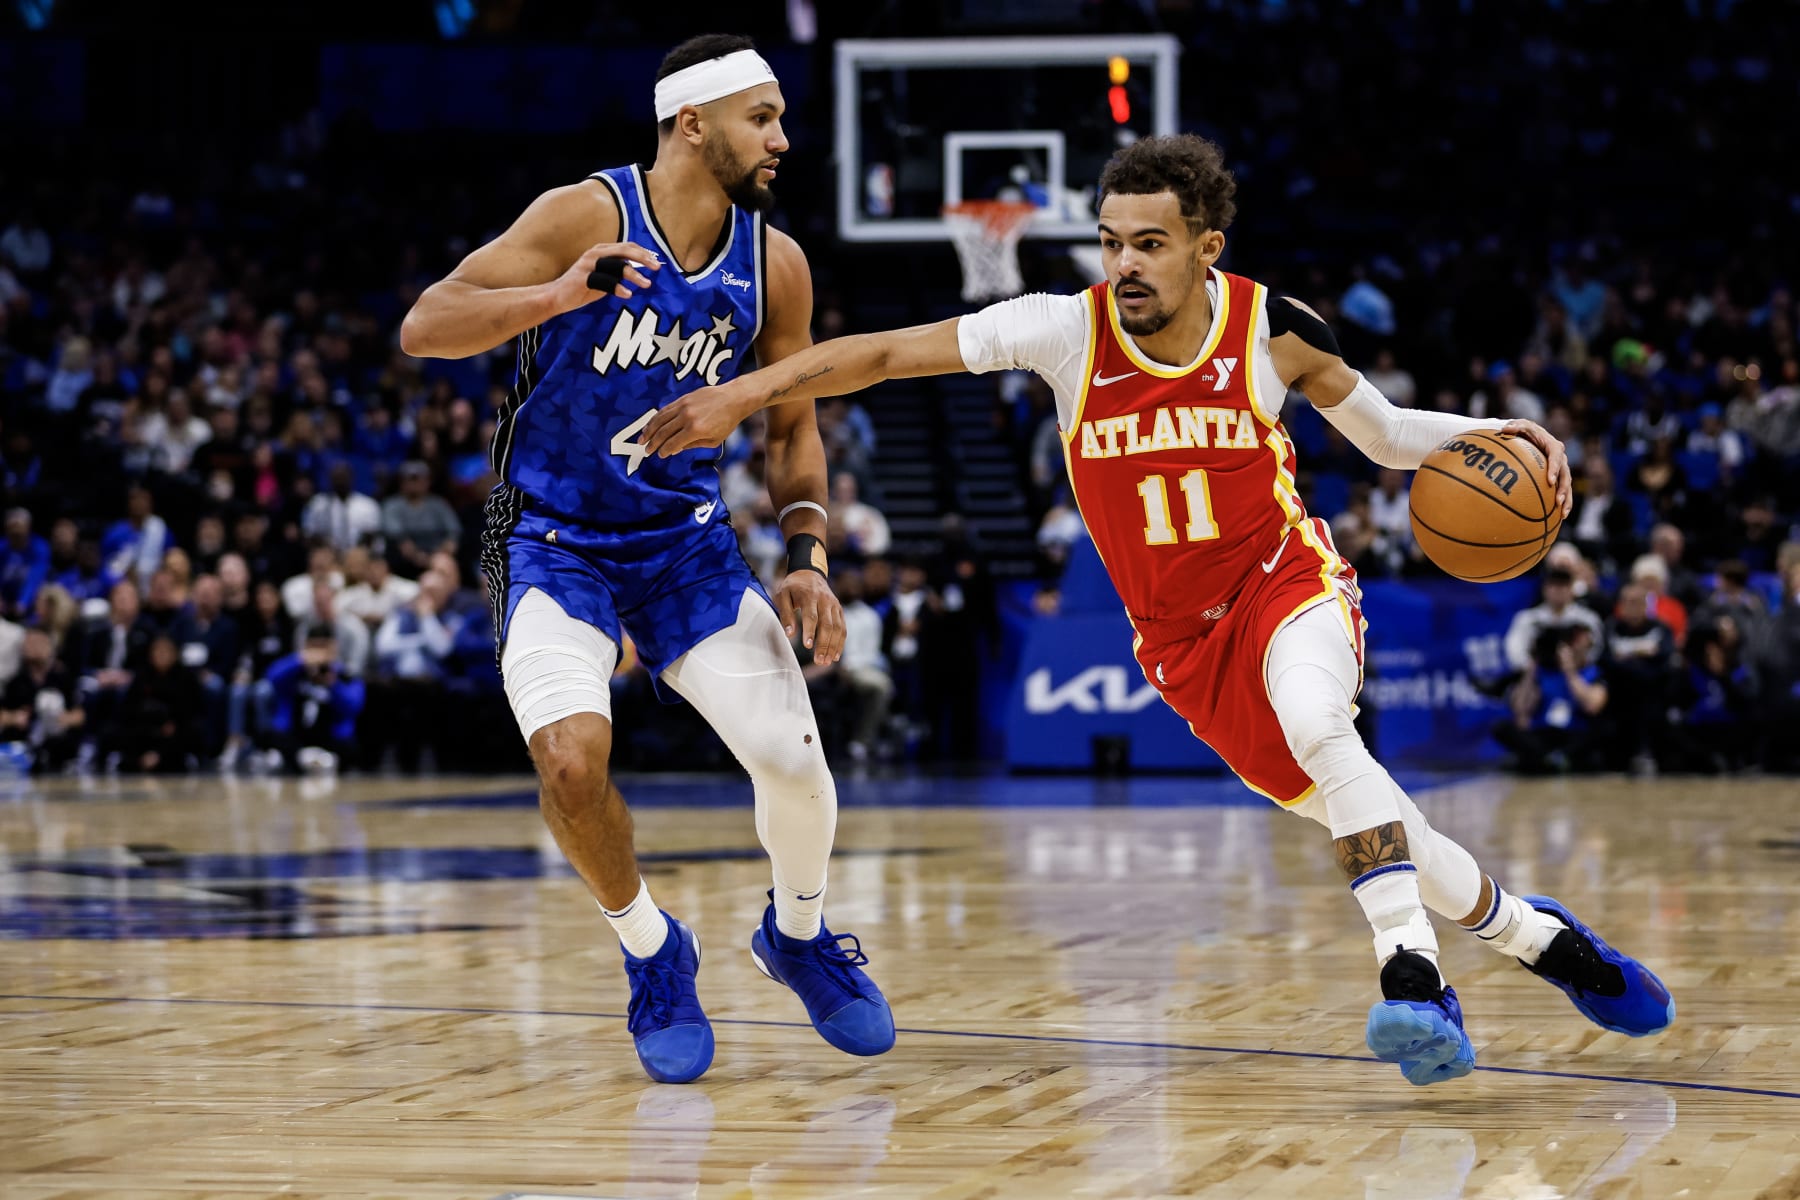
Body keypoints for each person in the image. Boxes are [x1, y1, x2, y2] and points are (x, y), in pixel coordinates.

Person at [645, 133, 1674, 1086]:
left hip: (1286, 583)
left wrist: (1502, 425)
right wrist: (743, 396)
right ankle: (1547, 942)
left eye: (1148, 244)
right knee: (1368, 813)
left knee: (1323, 729)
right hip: (1183, 650)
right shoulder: (1063, 332)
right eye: (1109, 242)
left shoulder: (1271, 329)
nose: (1122, 263)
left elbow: (1393, 434)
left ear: (1204, 247)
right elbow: (879, 355)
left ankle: (1412, 980)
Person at [399, 34, 892, 1084]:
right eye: (761, 117)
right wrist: (558, 297)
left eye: (782, 118)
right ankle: (653, 955)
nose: (782, 138)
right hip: (550, 539)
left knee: (798, 768)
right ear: (691, 121)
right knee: (572, 764)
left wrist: (804, 551)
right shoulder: (586, 214)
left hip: (687, 549)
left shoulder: (775, 263)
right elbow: (425, 325)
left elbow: (792, 427)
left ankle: (795, 936)